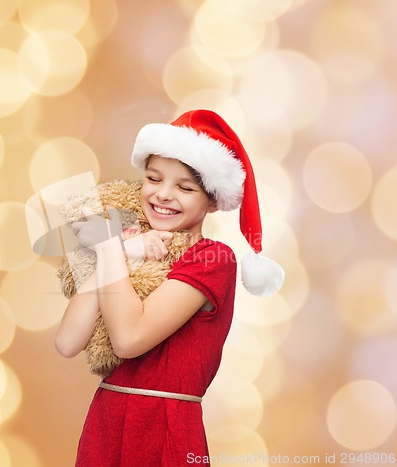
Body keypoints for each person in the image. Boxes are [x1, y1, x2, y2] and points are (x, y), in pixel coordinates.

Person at [55, 109, 284, 466]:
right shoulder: (129, 245)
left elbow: (129, 339)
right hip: (106, 422)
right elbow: (67, 341)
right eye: (153, 178)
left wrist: (108, 247)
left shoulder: (212, 260)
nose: (162, 195)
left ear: (211, 200)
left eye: (185, 187)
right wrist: (123, 248)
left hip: (163, 429)